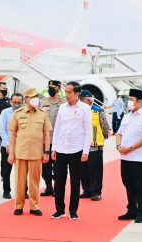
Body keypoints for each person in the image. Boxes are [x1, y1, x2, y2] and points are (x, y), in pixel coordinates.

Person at [51, 81, 92, 220]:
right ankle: (59, 210)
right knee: (59, 180)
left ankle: (73, 210)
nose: (66, 95)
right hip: (61, 148)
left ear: (77, 93)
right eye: (66, 92)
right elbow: (57, 128)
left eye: (69, 92)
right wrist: (54, 148)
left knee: (75, 181)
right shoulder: (62, 107)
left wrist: (86, 151)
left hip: (77, 149)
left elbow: (88, 131)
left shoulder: (85, 108)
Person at [8, 88, 52, 216]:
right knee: (20, 181)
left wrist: (46, 152)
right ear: (26, 99)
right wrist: (11, 153)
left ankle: (34, 206)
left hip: (36, 153)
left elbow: (47, 134)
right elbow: (12, 135)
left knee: (34, 181)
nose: (35, 99)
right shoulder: (18, 113)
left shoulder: (42, 113)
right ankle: (19, 205)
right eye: (32, 97)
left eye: (36, 97)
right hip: (20, 152)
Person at [116, 89, 142, 223]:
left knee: (140, 186)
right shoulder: (127, 116)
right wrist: (118, 146)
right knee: (128, 184)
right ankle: (131, 210)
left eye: (131, 99)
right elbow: (119, 133)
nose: (129, 102)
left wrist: (131, 148)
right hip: (125, 157)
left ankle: (141, 212)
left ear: (139, 101)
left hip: (139, 158)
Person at [79, 90, 109, 201]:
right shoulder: (79, 110)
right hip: (82, 146)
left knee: (95, 170)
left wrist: (103, 137)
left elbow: (105, 126)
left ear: (87, 100)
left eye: (81, 100)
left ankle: (96, 192)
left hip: (95, 145)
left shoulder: (98, 110)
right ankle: (86, 190)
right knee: (83, 170)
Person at [0, 93, 28, 199]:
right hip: (7, 146)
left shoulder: (26, 112)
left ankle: (24, 191)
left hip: (22, 146)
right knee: (7, 170)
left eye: (19, 102)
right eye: (14, 102)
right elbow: (2, 130)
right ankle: (6, 191)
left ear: (23, 102)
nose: (16, 104)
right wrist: (7, 145)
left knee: (23, 170)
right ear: (10, 102)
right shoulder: (5, 112)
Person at [39, 80, 66, 196]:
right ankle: (48, 187)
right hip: (45, 140)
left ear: (59, 89)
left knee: (58, 166)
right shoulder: (42, 102)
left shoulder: (64, 103)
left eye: (53, 88)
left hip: (59, 140)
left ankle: (56, 187)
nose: (51, 90)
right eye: (49, 87)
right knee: (45, 166)